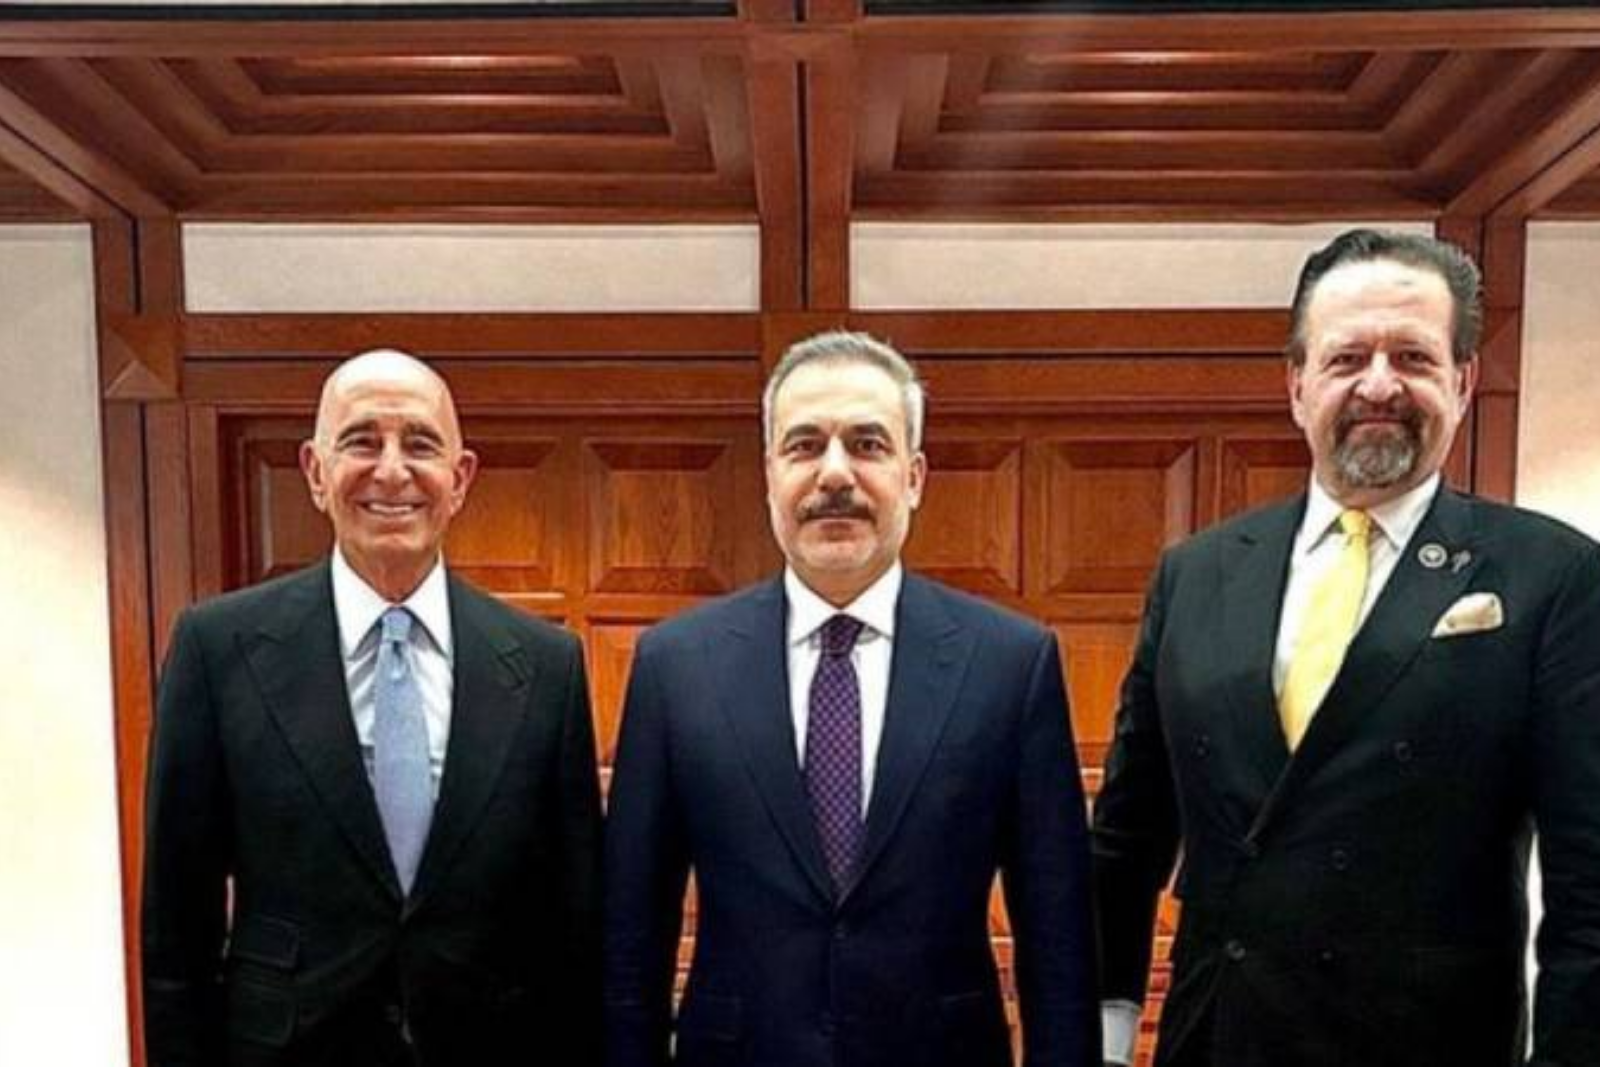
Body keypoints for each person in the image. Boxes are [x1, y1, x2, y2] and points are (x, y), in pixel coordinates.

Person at [1092, 229, 1600, 1067]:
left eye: (1413, 357)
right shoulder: (1197, 573)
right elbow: (1127, 836)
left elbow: (1591, 882)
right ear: (1297, 384)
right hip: (1217, 1040)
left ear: (1463, 381)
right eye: (1347, 358)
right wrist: (1105, 1037)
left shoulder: (1553, 576)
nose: (1379, 384)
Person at [602, 330, 1099, 1067]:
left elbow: (1058, 939)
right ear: (769, 475)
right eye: (804, 446)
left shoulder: (1009, 664)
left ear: (915, 475)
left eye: (867, 444)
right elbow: (630, 935)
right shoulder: (676, 666)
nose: (835, 473)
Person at [141, 349, 603, 1067]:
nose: (392, 470)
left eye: (420, 444)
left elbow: (577, 921)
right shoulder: (217, 648)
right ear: (315, 471)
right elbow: (178, 925)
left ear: (460, 477)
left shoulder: (547, 665)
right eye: (361, 441)